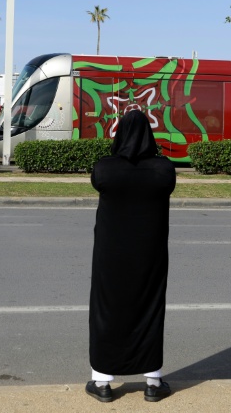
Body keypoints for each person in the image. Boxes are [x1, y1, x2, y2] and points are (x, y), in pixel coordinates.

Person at [85, 109, 177, 403]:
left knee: (106, 312)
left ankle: (102, 382)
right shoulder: (163, 170)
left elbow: (99, 182)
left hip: (111, 257)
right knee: (150, 310)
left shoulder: (105, 168)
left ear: (120, 133)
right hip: (149, 255)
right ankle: (152, 381)